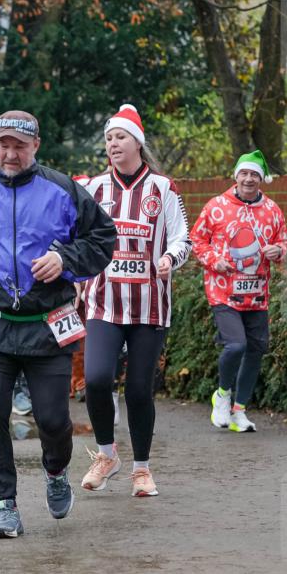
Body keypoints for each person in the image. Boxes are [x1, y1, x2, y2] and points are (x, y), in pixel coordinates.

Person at [0, 110, 116, 538]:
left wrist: (64, 259)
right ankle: (4, 506)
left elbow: (103, 238)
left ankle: (55, 471)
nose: (10, 154)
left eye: (19, 146)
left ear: (36, 146)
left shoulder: (63, 190)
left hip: (47, 325)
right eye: (3, 145)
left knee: (51, 420)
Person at [80, 104, 191, 497]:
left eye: (120, 137)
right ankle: (107, 455)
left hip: (149, 307)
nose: (113, 144)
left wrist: (168, 258)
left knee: (139, 390)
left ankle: (142, 469)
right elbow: (77, 236)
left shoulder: (163, 189)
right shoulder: (93, 189)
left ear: (137, 144)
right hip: (103, 303)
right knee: (95, 380)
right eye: (109, 138)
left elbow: (183, 238)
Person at [191, 150, 287, 432]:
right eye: (244, 173)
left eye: (254, 174)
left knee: (256, 349)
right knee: (236, 345)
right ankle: (222, 395)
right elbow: (197, 240)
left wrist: (277, 251)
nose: (248, 179)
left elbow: (283, 242)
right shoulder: (216, 206)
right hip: (223, 289)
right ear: (236, 176)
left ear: (261, 179)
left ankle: (239, 411)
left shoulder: (272, 210)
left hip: (257, 292)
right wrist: (213, 260)